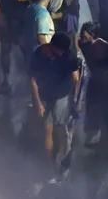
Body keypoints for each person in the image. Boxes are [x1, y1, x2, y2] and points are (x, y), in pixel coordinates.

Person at [29, 32, 82, 179]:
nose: (61, 54)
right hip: (44, 94)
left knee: (60, 128)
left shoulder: (69, 56)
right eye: (59, 51)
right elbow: (33, 80)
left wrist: (74, 101)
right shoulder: (38, 55)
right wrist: (38, 103)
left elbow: (76, 79)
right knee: (47, 129)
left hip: (62, 94)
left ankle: (63, 160)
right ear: (51, 46)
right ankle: (49, 165)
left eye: (64, 51)